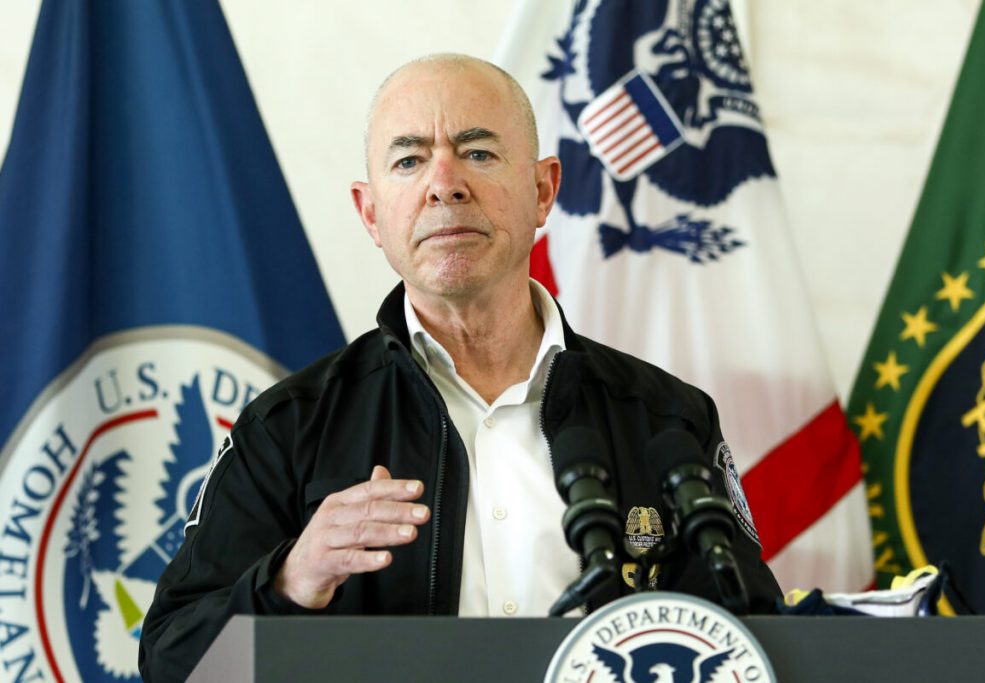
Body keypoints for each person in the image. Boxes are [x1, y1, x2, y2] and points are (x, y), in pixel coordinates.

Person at [139, 54, 781, 682]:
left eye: (477, 152)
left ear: (542, 191)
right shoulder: (287, 427)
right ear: (371, 214)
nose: (444, 184)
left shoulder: (666, 418)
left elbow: (753, 640)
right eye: (409, 160)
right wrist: (289, 580)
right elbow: (173, 659)